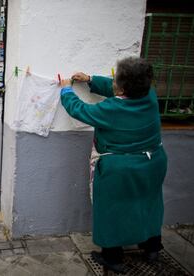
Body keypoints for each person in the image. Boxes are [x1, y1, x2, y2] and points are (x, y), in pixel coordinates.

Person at [60, 57, 167, 274]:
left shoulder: (111, 108)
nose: (113, 81)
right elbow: (119, 88)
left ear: (122, 85)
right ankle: (152, 248)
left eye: (115, 78)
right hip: (153, 162)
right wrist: (91, 79)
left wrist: (66, 91)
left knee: (111, 210)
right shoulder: (150, 97)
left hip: (120, 169)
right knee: (149, 204)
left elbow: (79, 110)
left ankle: (112, 257)